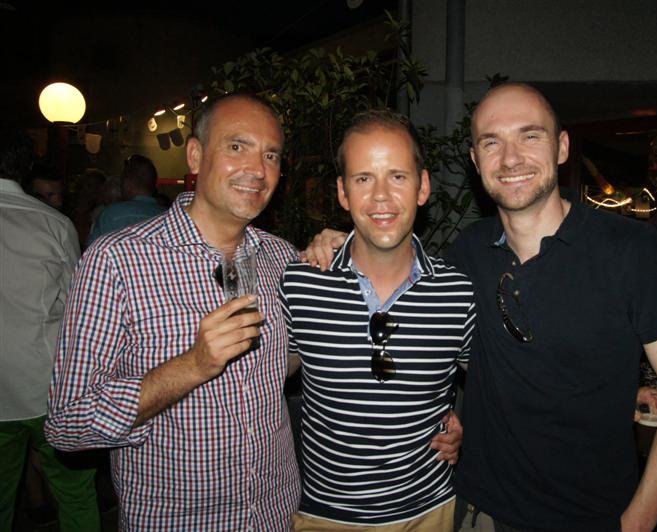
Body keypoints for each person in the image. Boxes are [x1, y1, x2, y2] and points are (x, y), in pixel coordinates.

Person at [304, 83, 657, 531]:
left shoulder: (630, 251)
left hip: (590, 516)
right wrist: (343, 243)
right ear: (475, 160)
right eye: (491, 142)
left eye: (529, 136)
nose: (511, 158)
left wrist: (637, 522)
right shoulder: (467, 254)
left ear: (562, 147)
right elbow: (431, 344)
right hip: (477, 509)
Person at [45, 94, 461, 531]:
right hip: (176, 521)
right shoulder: (116, 261)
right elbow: (68, 424)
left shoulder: (285, 262)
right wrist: (192, 365)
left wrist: (441, 416)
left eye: (270, 155)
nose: (257, 168)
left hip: (278, 514)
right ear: (195, 155)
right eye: (236, 146)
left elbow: (324, 353)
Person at [280, 109, 475, 530]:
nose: (381, 196)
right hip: (323, 517)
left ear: (423, 187)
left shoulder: (458, 293)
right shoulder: (299, 283)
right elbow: (258, 383)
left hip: (429, 514)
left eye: (398, 176)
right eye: (364, 178)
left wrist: (468, 427)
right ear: (343, 192)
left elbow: (498, 384)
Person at [0, 129, 101, 531]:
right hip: (47, 384)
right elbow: (79, 306)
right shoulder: (52, 223)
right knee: (76, 496)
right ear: (25, 167)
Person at [85, 154, 167, 246]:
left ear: (128, 182)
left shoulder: (111, 214)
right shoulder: (169, 217)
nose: (121, 185)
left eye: (122, 180)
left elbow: (91, 249)